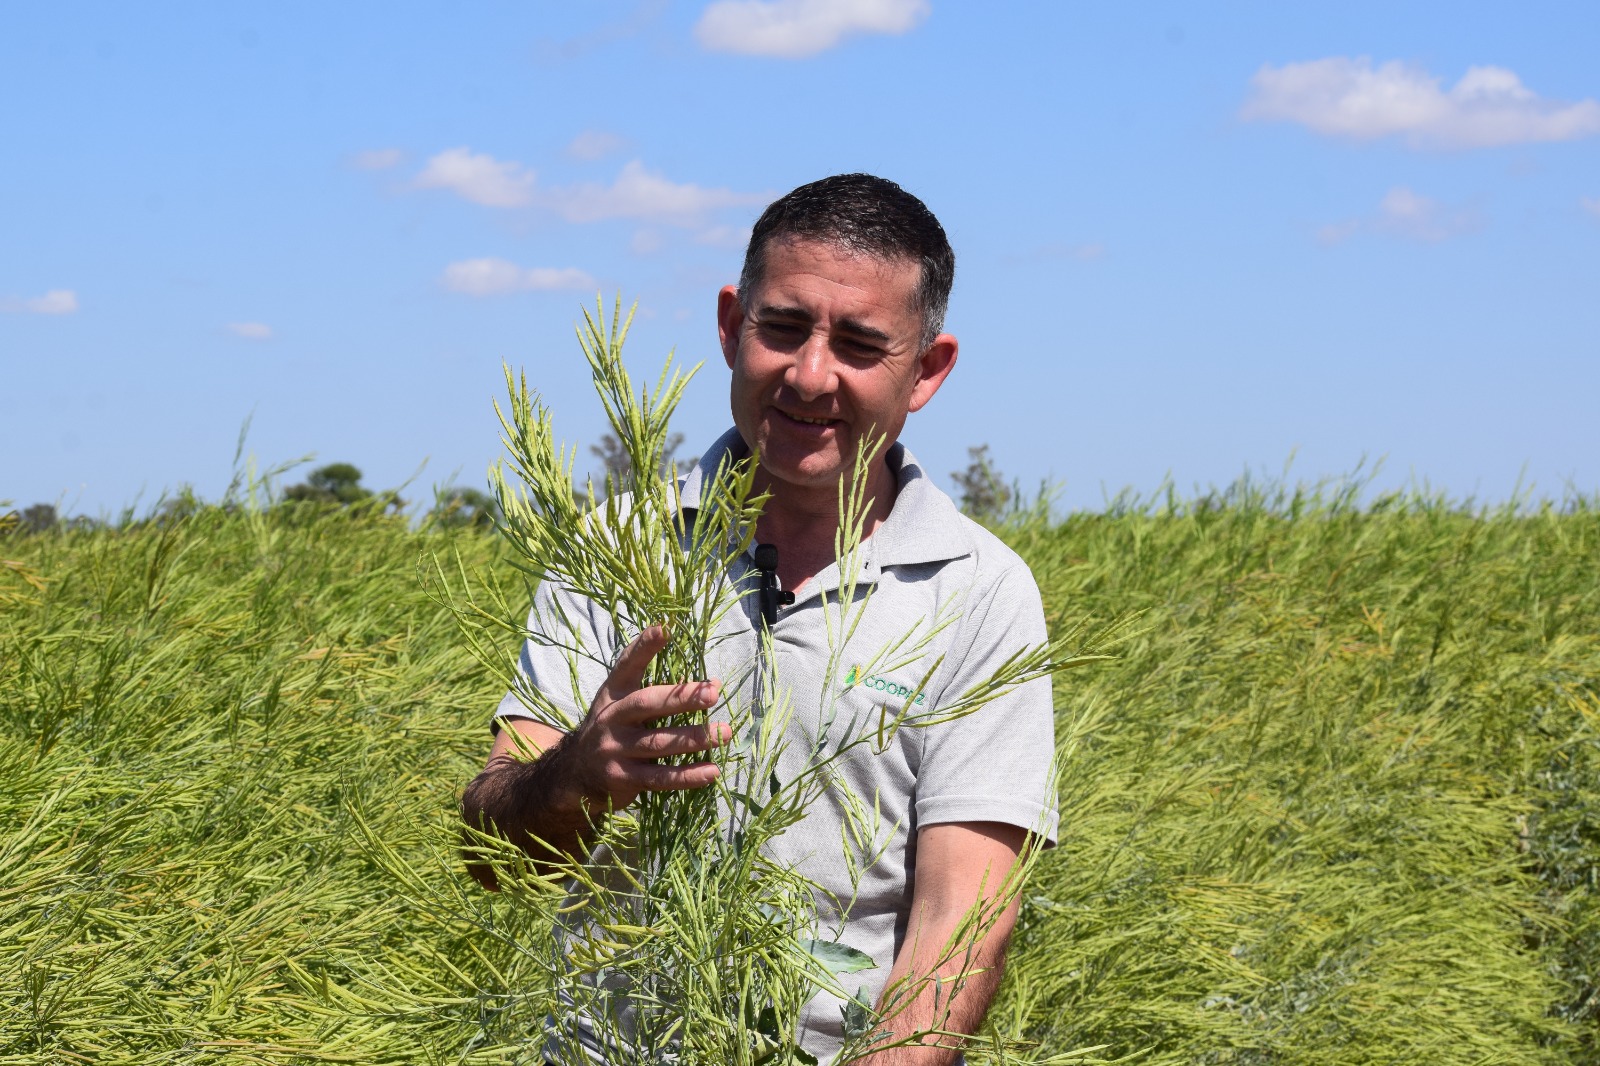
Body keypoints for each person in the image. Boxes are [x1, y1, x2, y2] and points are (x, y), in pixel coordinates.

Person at [462, 173, 1057, 1064]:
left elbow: (956, 929)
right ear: (731, 323)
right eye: (783, 327)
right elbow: (494, 858)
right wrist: (577, 774)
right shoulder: (620, 548)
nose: (810, 374)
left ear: (926, 371)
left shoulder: (978, 592)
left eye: (860, 345)